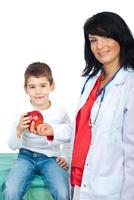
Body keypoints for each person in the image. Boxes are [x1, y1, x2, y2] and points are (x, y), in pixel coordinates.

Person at [32, 12, 134, 200]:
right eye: (93, 40)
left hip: (108, 189)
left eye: (106, 37)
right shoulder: (91, 81)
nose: (100, 46)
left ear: (121, 37)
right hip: (79, 181)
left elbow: (132, 152)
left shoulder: (130, 85)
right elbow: (82, 129)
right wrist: (52, 130)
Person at [3, 62, 70, 200]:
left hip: (50, 158)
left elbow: (70, 135)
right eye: (32, 87)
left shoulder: (60, 111)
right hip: (25, 156)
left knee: (63, 191)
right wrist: (19, 129)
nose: (38, 91)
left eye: (43, 86)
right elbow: (12, 145)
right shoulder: (22, 110)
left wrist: (65, 156)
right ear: (26, 89)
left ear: (52, 86)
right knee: (11, 191)